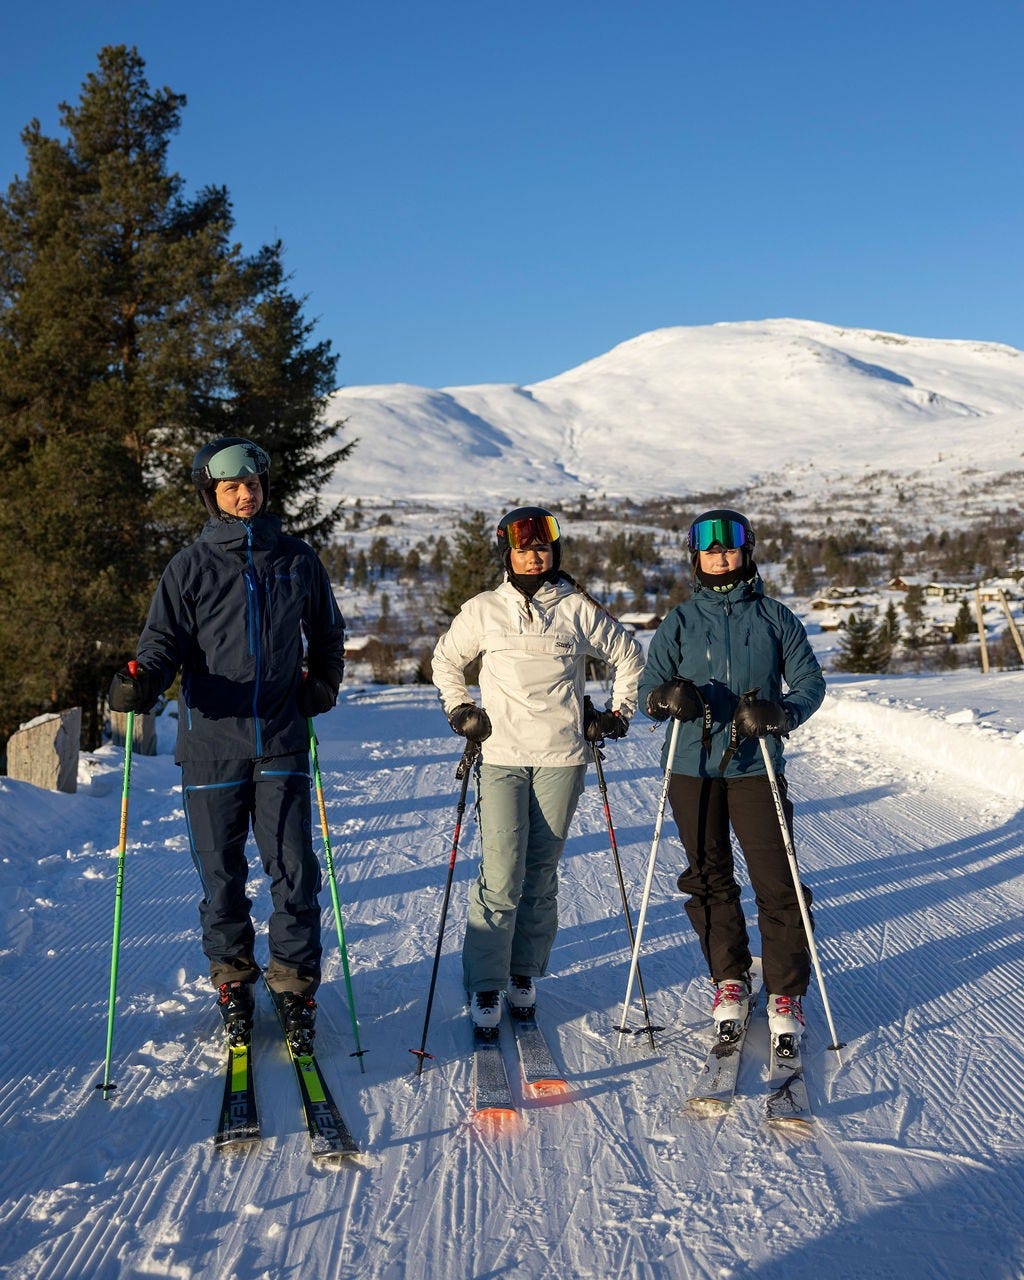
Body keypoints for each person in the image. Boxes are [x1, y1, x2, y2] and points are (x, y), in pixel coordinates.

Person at [107, 437, 345, 1052]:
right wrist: (143, 681)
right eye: (232, 487)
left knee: (293, 869)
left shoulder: (296, 559)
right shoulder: (189, 567)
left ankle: (293, 988)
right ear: (211, 496)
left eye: (254, 483)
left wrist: (323, 682)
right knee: (221, 875)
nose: (246, 493)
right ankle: (233, 981)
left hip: (282, 738)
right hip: (213, 742)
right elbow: (162, 644)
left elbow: (327, 631)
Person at [432, 506, 645, 1034]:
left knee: (540, 875)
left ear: (554, 554)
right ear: (507, 555)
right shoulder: (484, 609)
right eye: (523, 548)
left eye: (542, 548)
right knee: (501, 875)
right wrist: (460, 710)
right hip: (500, 755)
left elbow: (629, 656)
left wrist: (618, 715)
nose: (534, 555)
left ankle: (523, 973)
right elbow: (445, 661)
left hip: (563, 756)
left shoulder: (576, 607)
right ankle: (486, 979)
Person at [638, 509, 825, 1055]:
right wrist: (666, 699)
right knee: (708, 877)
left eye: (731, 543)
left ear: (747, 551)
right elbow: (651, 689)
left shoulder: (774, 617)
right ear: (695, 555)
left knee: (778, 879)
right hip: (692, 769)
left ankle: (785, 994)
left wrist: (781, 712)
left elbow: (809, 681)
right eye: (708, 545)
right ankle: (730, 978)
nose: (720, 554)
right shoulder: (679, 621)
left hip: (755, 766)